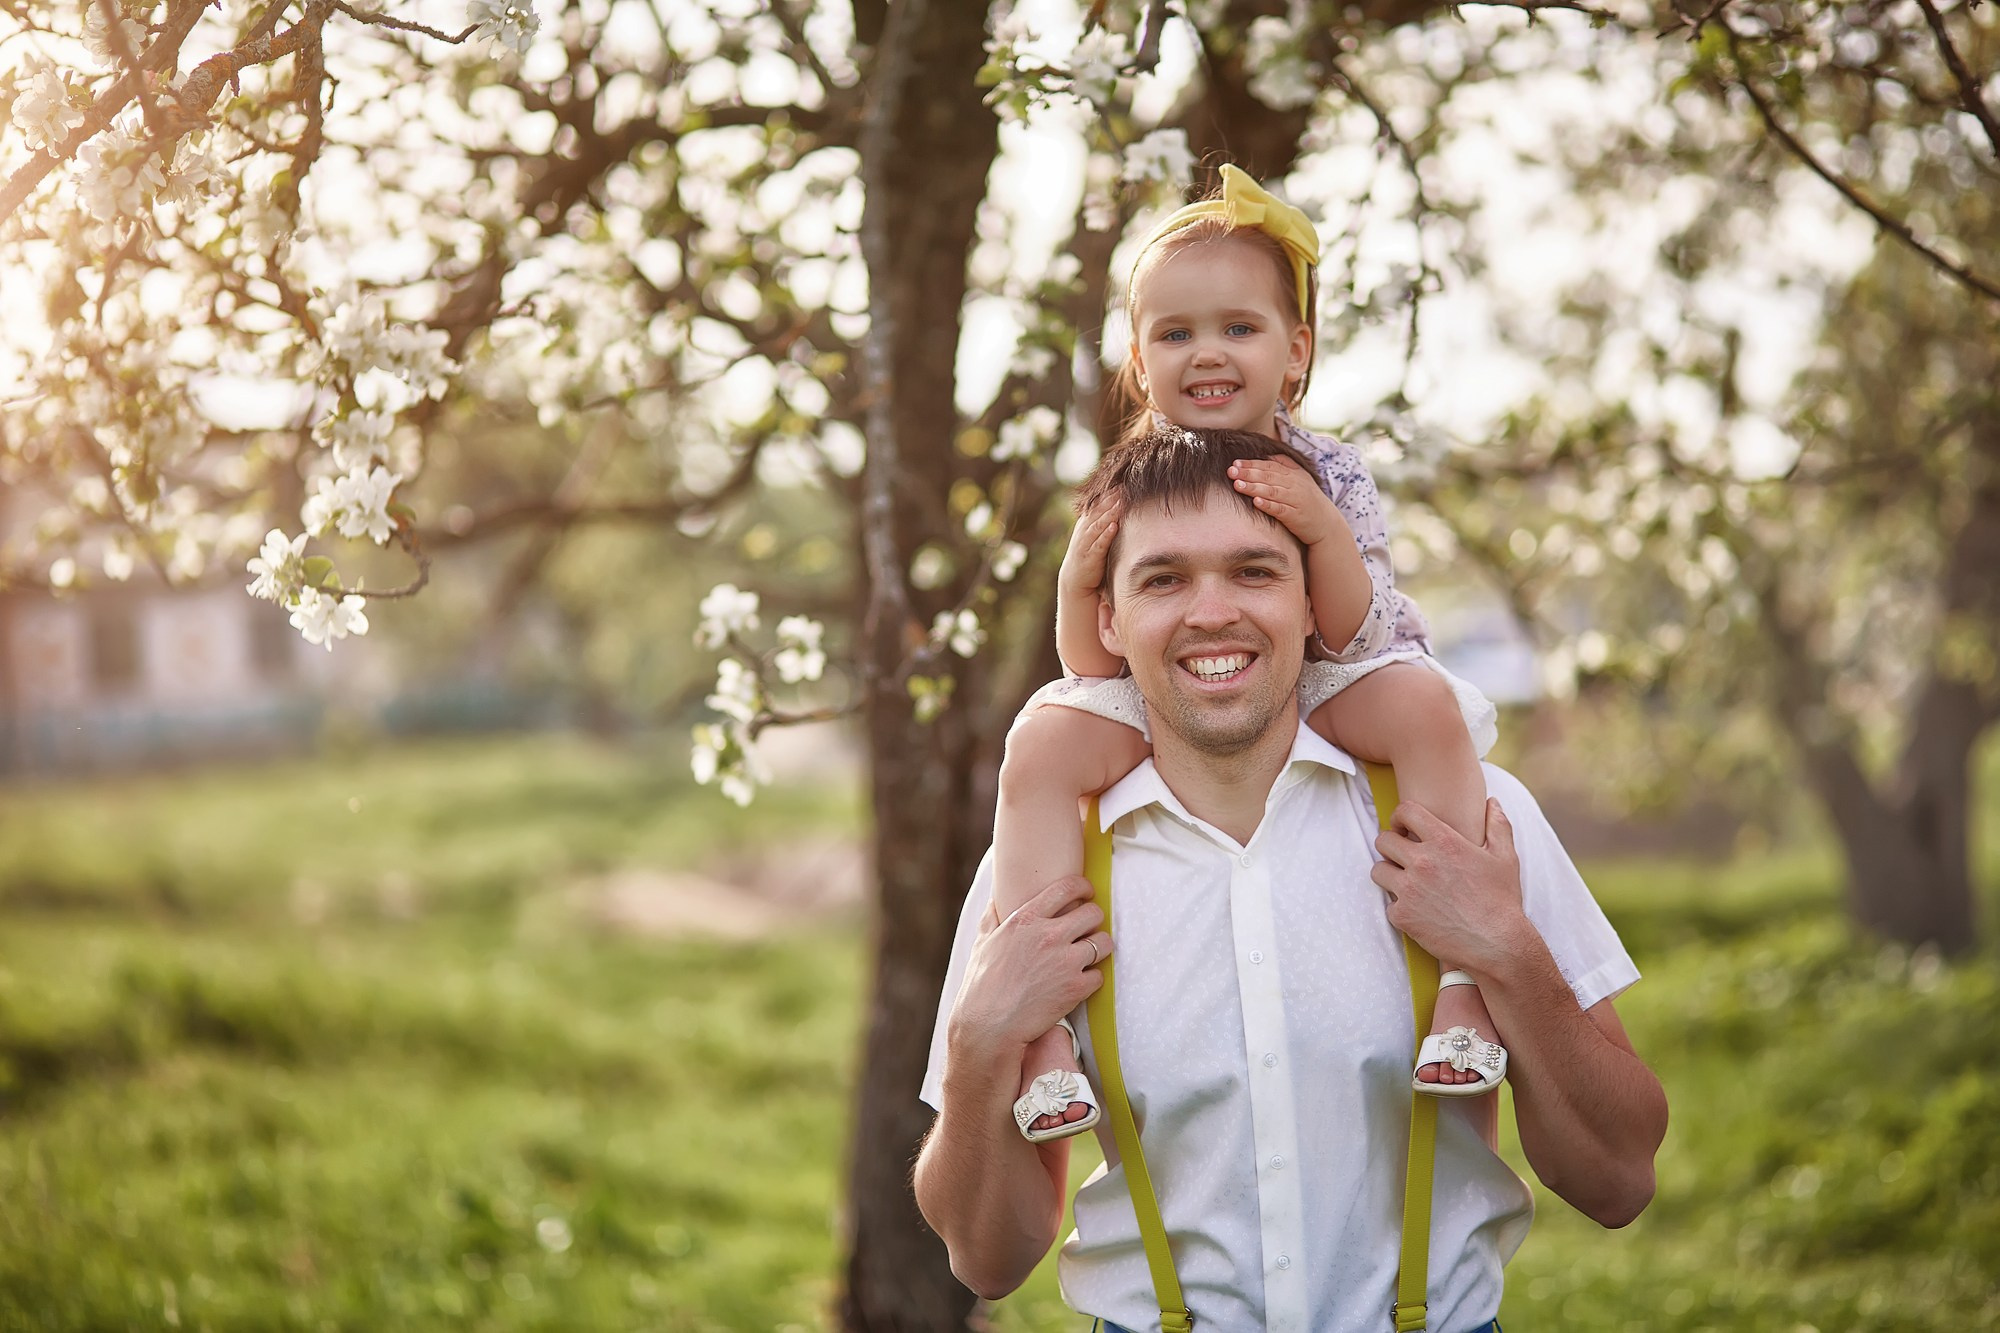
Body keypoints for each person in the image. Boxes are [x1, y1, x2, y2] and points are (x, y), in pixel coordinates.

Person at [912, 425, 1667, 1332]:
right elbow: (988, 1258)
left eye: (1255, 571)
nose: (1212, 611)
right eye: (1163, 579)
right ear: (1106, 618)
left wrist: (1506, 948)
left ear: (1315, 600)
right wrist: (977, 1045)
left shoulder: (1467, 822)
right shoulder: (1042, 863)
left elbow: (1620, 1180)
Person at [998, 165, 1502, 1142]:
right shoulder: (1127, 485)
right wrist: (1075, 581)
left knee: (1426, 711)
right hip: (1185, 696)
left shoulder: (1329, 471)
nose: (1207, 354)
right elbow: (1091, 665)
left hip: (1325, 677)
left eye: (1238, 328)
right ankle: (1043, 1040)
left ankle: (1466, 989)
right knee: (1042, 744)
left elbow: (1354, 633)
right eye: (1175, 333)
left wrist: (1318, 533)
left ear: (1294, 352)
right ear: (1139, 363)